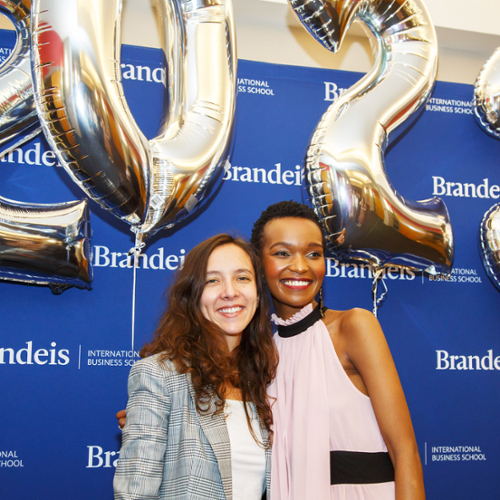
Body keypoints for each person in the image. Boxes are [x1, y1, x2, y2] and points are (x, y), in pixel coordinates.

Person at [250, 200, 425, 500]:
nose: (301, 266)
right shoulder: (261, 354)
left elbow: (404, 450)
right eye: (282, 253)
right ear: (257, 263)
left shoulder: (353, 327)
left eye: (314, 254)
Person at [114, 234, 278, 500]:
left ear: (258, 295)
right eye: (213, 280)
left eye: (242, 278)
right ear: (193, 296)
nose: (230, 291)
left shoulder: (266, 380)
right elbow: (135, 494)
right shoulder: (160, 375)